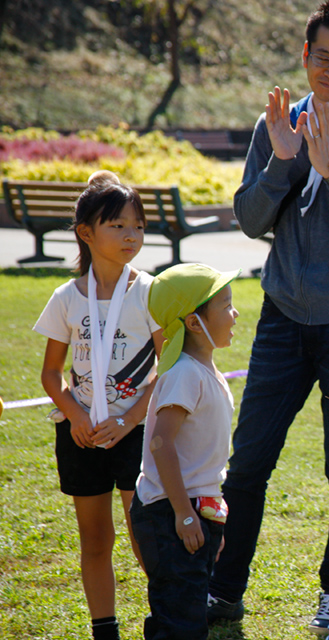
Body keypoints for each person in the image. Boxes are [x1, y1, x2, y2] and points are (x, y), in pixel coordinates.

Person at [207, 0, 329, 633]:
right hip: (282, 316)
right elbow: (249, 219)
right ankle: (223, 590)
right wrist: (283, 160)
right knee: (248, 462)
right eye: (322, 57)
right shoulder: (277, 123)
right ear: (305, 57)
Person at [33, 171, 164, 640]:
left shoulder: (151, 292)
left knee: (143, 532)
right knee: (95, 539)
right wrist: (76, 416)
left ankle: (166, 618)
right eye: (118, 225)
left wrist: (129, 420)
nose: (131, 236)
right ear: (86, 233)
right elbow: (51, 374)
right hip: (81, 436)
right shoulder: (67, 297)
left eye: (139, 226)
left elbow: (167, 371)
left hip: (135, 434)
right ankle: (103, 627)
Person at [130, 263, 241, 639]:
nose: (235, 313)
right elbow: (162, 443)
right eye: (225, 306)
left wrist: (211, 519)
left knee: (187, 607)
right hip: (169, 511)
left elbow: (204, 458)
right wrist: (183, 513)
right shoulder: (184, 374)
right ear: (194, 323)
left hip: (196, 507)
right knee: (179, 617)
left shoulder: (204, 371)